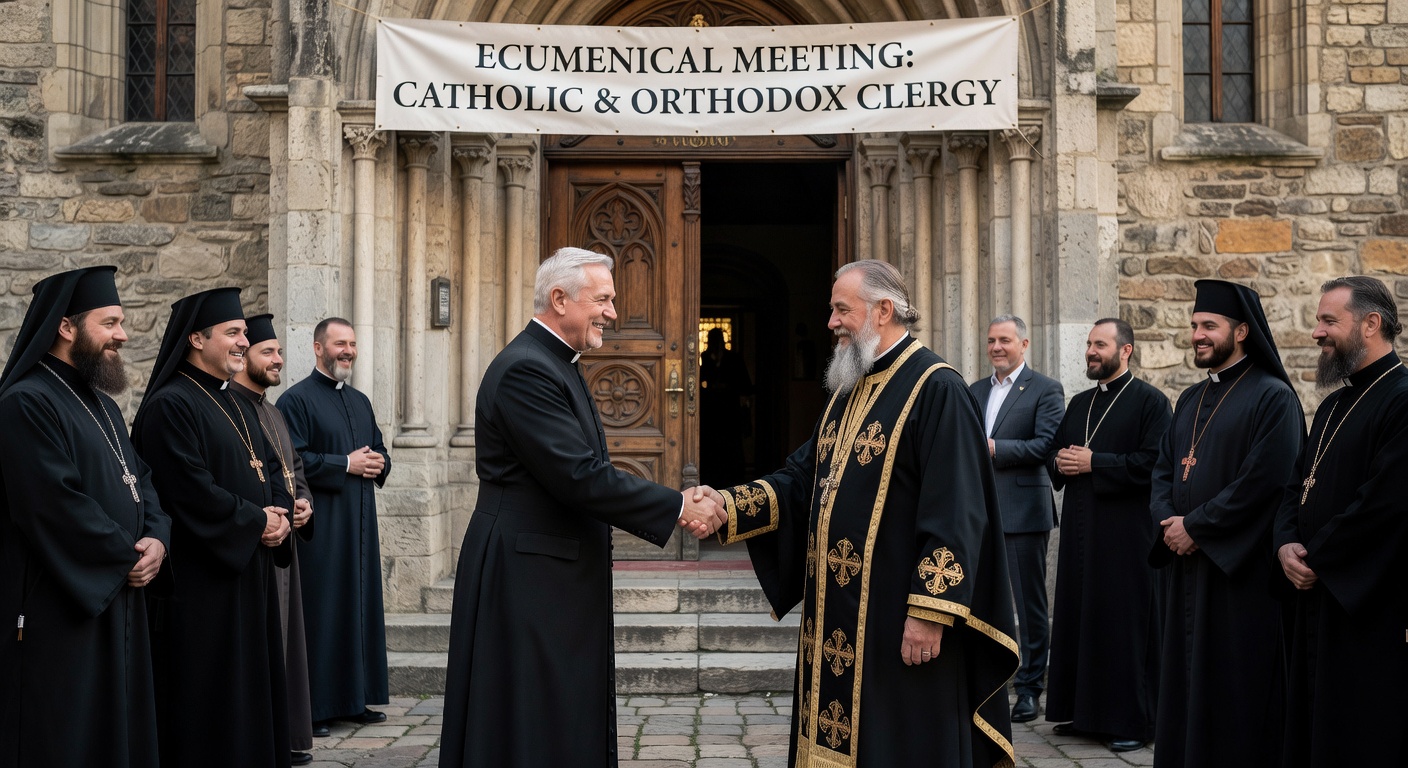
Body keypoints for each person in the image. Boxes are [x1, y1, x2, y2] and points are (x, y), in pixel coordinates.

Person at [706, 259, 1019, 766]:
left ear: (883, 311)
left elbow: (958, 510)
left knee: (897, 741)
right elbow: (800, 479)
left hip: (898, 617)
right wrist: (726, 504)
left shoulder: (936, 388)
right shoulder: (847, 390)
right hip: (837, 615)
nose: (830, 322)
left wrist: (929, 612)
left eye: (840, 309)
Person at [438, 247, 725, 768]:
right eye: (604, 300)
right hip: (526, 575)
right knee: (528, 715)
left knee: (555, 709)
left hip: (548, 569)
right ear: (559, 299)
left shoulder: (555, 362)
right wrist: (677, 505)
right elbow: (578, 476)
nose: (613, 312)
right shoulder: (528, 369)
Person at [0, 266, 171, 768]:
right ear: (67, 327)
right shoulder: (26, 402)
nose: (123, 334)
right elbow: (54, 505)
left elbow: (143, 481)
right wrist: (126, 555)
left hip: (120, 591)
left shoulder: (102, 403)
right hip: (61, 605)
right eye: (110, 322)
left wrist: (157, 539)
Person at [133, 286, 295, 768]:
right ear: (196, 340)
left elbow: (271, 467)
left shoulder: (238, 403)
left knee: (252, 697)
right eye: (233, 333)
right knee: (211, 708)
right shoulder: (171, 405)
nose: (244, 342)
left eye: (245, 333)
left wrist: (282, 515)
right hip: (203, 590)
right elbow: (189, 493)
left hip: (251, 576)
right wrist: (256, 520)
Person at [1148, 279, 1304, 768]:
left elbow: (1264, 481)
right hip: (1185, 568)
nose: (1197, 334)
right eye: (1194, 325)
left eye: (1208, 326)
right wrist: (1168, 524)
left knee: (1234, 688)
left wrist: (1196, 527)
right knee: (1183, 686)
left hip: (1239, 575)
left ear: (1240, 332)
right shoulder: (1189, 400)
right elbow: (1163, 471)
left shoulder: (1273, 397)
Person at [1274, 277, 1408, 767]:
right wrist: (1285, 544)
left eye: (1329, 320)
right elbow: (1295, 486)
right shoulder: (1332, 404)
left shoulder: (1401, 398)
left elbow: (1387, 503)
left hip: (1364, 602)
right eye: (1318, 320)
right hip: (1314, 589)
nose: (1316, 332)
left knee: (1357, 727)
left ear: (1371, 324)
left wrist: (1318, 557)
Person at [1044, 318, 1171, 752]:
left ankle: (1133, 720)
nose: (1090, 352)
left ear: (1126, 350)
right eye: (1088, 345)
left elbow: (1153, 464)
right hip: (1082, 532)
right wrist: (1060, 461)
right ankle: (1086, 714)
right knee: (1083, 619)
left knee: (1123, 626)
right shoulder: (1079, 403)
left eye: (1100, 344)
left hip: (1127, 536)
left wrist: (1096, 463)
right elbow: (1055, 454)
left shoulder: (1151, 403)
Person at [276, 318, 391, 730]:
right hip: (322, 531)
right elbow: (295, 461)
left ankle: (356, 700)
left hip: (360, 527)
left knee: (358, 610)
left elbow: (377, 447)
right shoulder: (295, 401)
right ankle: (317, 708)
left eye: (353, 344)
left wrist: (379, 461)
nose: (348, 351)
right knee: (323, 614)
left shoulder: (359, 400)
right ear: (318, 348)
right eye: (340, 343)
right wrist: (347, 463)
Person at [968, 314, 1064, 724]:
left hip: (1024, 511)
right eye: (991, 341)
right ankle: (980, 683)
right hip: (978, 513)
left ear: (1024, 344)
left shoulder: (1045, 389)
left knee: (1030, 605)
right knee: (977, 600)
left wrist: (992, 448)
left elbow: (1045, 444)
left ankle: (1029, 690)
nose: (996, 348)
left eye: (1005, 340)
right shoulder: (973, 391)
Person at [232, 313, 317, 766]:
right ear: (242, 356)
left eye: (279, 352)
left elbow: (294, 468)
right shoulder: (235, 408)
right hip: (259, 542)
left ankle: (286, 735)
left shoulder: (272, 410)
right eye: (268, 352)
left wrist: (304, 503)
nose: (278, 360)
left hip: (284, 539)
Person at [700, 326, 754, 485]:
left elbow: (744, 383)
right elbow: (701, 378)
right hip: (710, 409)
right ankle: (712, 476)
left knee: (731, 444)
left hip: (730, 409)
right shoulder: (705, 357)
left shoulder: (733, 358)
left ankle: (732, 477)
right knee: (711, 443)